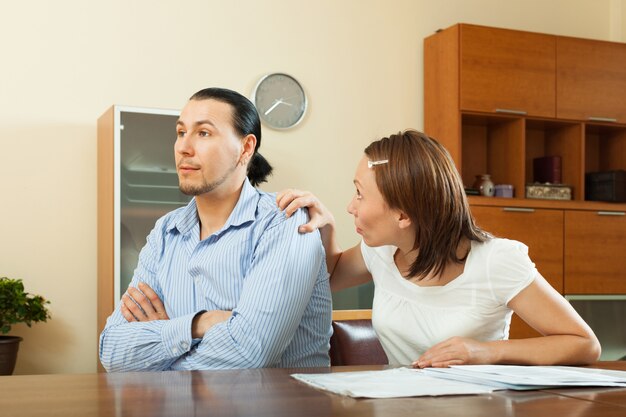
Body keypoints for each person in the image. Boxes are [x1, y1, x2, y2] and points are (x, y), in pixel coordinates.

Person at [277, 129, 601, 368]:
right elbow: (330, 277)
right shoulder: (380, 251)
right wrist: (327, 225)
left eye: (360, 194)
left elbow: (583, 344)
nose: (351, 206)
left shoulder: (497, 261)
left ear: (403, 214)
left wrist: (486, 351)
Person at [99, 87, 332, 372]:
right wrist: (199, 324)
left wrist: (163, 342)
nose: (184, 147)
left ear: (246, 148)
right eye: (181, 132)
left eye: (204, 133)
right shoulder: (165, 231)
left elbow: (250, 353)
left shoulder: (283, 220)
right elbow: (112, 350)